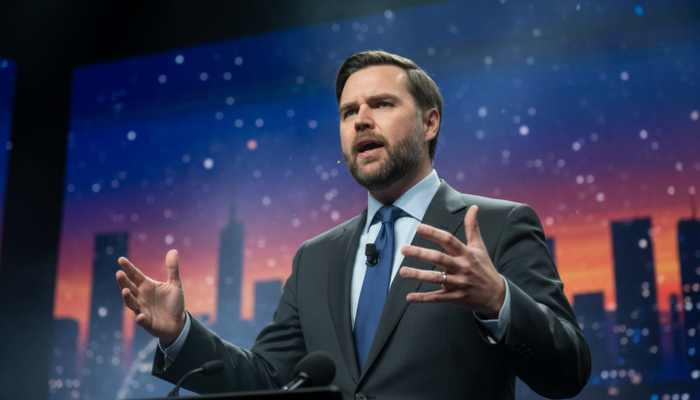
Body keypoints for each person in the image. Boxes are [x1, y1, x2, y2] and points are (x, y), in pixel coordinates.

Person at [116, 51, 590, 399]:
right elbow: (271, 381)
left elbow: (569, 371)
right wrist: (179, 334)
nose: (360, 120)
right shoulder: (314, 257)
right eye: (348, 112)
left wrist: (498, 300)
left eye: (381, 104)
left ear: (430, 123)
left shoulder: (498, 225)